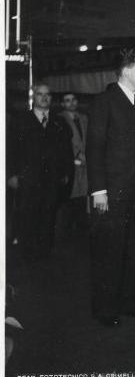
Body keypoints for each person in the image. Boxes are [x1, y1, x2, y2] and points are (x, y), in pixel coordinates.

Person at [86, 49, 135, 327]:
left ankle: (127, 302)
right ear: (126, 71)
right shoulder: (105, 101)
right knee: (110, 252)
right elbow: (95, 148)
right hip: (112, 191)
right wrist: (99, 190)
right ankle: (105, 309)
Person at [11, 82, 74, 260]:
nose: (44, 98)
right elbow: (11, 150)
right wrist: (11, 175)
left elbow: (66, 153)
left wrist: (66, 174)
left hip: (52, 181)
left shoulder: (59, 122)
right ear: (34, 97)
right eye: (40, 94)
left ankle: (44, 256)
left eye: (48, 95)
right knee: (28, 217)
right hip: (28, 181)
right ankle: (27, 256)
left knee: (48, 217)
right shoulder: (20, 121)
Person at [58, 91, 89, 234]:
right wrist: (74, 157)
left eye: (73, 99)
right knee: (69, 198)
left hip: (85, 164)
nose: (71, 103)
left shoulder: (84, 118)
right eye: (67, 100)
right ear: (63, 104)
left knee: (82, 197)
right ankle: (66, 232)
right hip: (70, 164)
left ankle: (80, 230)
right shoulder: (59, 119)